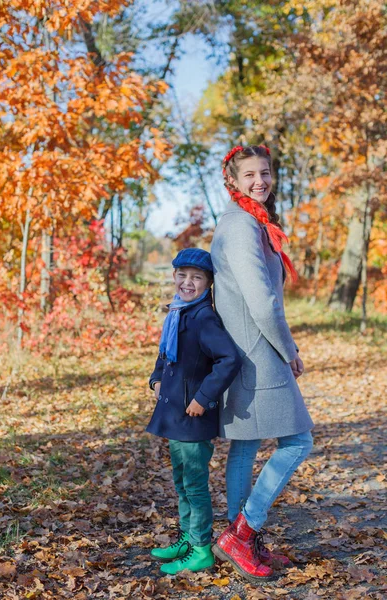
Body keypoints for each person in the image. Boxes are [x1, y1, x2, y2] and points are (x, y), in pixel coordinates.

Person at [211, 144, 314, 583]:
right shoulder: (240, 226)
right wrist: (289, 349)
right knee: (299, 441)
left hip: (246, 352)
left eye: (266, 173)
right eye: (250, 174)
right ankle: (243, 530)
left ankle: (242, 539)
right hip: (257, 353)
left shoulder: (249, 221)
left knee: (247, 446)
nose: (260, 181)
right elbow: (262, 303)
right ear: (232, 180)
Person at [147, 248, 242, 575]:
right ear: (174, 276)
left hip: (193, 416)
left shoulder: (203, 317)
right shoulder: (178, 312)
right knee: (182, 480)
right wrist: (156, 379)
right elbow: (164, 355)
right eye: (182, 275)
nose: (188, 282)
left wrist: (204, 397)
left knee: (195, 483)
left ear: (209, 283)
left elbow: (229, 358)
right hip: (174, 414)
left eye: (196, 277)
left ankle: (201, 547)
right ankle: (188, 537)